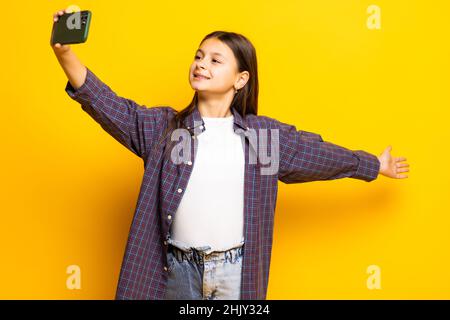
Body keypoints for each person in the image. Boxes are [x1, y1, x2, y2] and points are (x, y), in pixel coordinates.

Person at [51, 9, 410, 300]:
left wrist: (374, 164)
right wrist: (65, 53)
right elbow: (106, 104)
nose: (201, 63)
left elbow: (317, 155)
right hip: (176, 270)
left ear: (240, 79)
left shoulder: (264, 139)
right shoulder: (163, 130)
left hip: (235, 273)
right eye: (198, 56)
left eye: (215, 60)